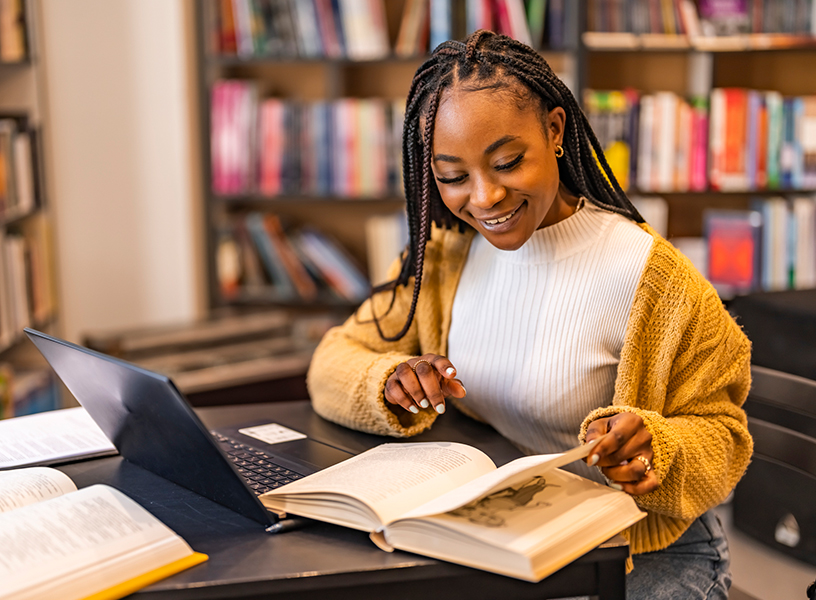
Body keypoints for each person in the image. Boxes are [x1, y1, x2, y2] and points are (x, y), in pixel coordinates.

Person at [307, 29, 752, 600]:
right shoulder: (447, 256)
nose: (485, 197)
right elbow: (332, 360)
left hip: (645, 547)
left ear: (556, 130)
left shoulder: (653, 278)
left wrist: (656, 446)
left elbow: (725, 434)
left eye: (508, 162)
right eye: (453, 177)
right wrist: (389, 380)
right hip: (521, 528)